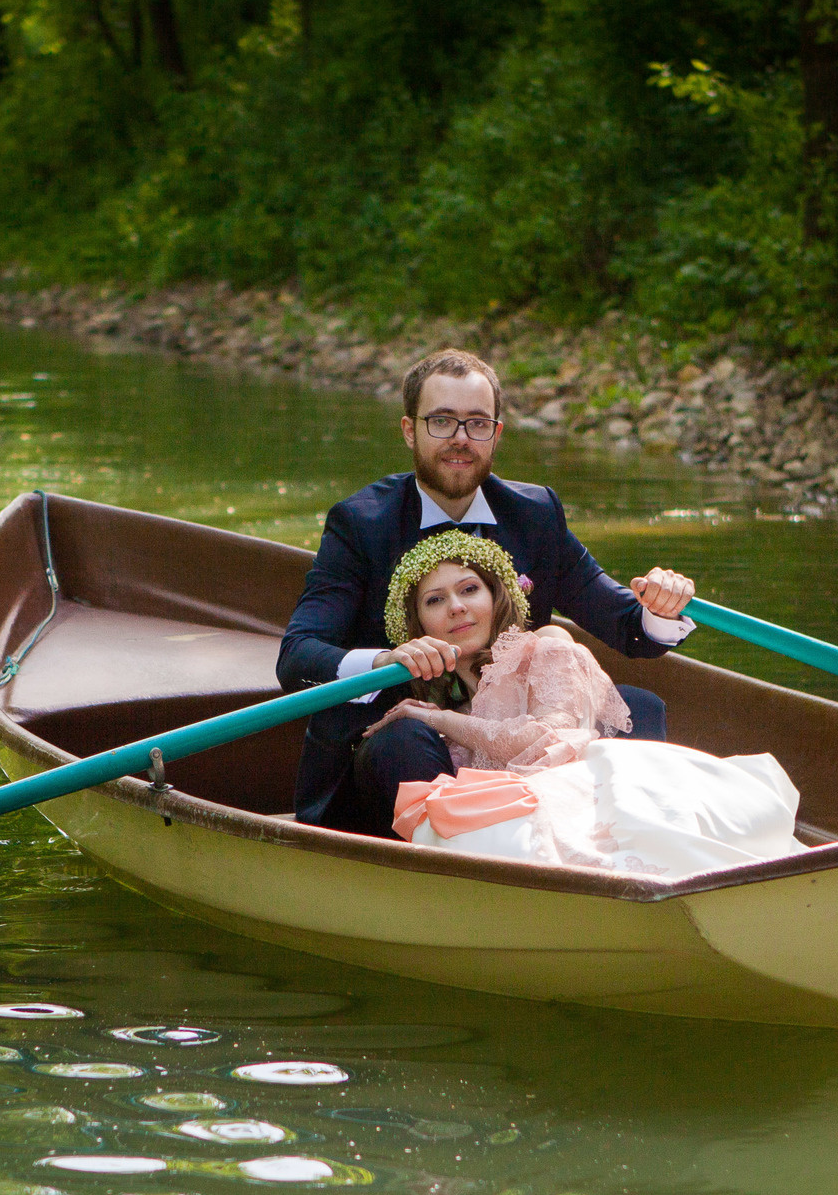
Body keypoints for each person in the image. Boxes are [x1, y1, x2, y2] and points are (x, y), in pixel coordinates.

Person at [278, 346, 701, 836]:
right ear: (409, 430)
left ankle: (621, 844)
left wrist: (660, 607)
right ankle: (446, 870)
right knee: (406, 736)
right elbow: (297, 658)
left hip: (517, 744)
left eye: (477, 423)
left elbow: (628, 626)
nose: (461, 439)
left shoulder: (535, 512)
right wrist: (382, 663)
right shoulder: (359, 523)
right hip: (401, 751)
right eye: (442, 421)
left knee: (639, 709)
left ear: (496, 434)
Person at [364, 533, 804, 874]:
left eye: (469, 589)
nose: (457, 608)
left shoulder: (545, 646)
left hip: (576, 799)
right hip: (508, 821)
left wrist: (439, 720)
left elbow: (548, 741)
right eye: (436, 600)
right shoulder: (441, 708)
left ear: (496, 596)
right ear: (418, 624)